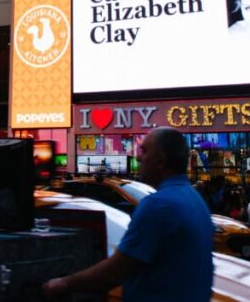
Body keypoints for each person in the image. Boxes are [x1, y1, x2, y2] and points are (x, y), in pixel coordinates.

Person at [42, 128, 213, 301]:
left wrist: (63, 283)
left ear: (160, 160)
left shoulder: (158, 205)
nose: (138, 157)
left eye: (144, 151)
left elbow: (114, 272)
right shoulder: (195, 200)